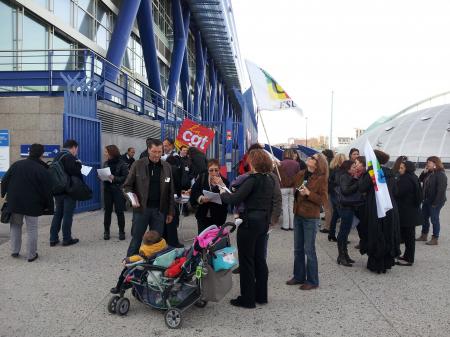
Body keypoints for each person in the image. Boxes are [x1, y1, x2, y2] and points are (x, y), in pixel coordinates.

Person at [216, 149, 281, 308]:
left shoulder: (252, 179)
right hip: (263, 222)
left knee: (246, 261)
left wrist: (221, 189)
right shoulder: (270, 179)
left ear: (254, 162)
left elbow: (234, 199)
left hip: (249, 222)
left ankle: (247, 299)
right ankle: (261, 296)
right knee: (260, 259)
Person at [1, 144, 53, 262]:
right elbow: (47, 190)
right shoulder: (42, 169)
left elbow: (4, 181)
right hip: (33, 204)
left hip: (15, 202)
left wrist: (3, 194)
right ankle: (31, 255)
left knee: (15, 226)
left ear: (29, 152)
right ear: (41, 154)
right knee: (32, 229)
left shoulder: (16, 165)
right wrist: (48, 206)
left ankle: (14, 251)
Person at [123, 138, 175, 256]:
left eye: (159, 152)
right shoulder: (138, 164)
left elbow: (170, 191)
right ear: (148, 150)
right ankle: (129, 268)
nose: (157, 155)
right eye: (154, 152)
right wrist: (132, 199)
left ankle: (154, 268)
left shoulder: (167, 167)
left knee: (157, 242)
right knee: (136, 239)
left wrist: (170, 212)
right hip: (141, 210)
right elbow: (126, 187)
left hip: (159, 211)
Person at [286, 153, 328, 290]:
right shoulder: (301, 174)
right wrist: (278, 168)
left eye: (313, 158)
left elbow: (323, 200)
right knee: (298, 248)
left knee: (309, 249)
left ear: (318, 163)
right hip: (298, 214)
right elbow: (289, 182)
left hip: (310, 217)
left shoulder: (321, 179)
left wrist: (309, 194)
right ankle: (298, 276)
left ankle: (313, 280)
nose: (309, 158)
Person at [358, 150, 400, 274]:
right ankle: (386, 262)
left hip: (375, 207)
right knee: (387, 232)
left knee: (375, 232)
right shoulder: (389, 173)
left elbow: (362, 188)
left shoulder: (371, 172)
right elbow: (395, 191)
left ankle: (376, 263)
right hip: (389, 207)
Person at [49, 139, 82, 247]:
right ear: (73, 147)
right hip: (68, 191)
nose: (76, 151)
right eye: (76, 149)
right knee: (67, 214)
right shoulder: (70, 157)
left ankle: (53, 239)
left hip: (57, 190)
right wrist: (79, 165)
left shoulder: (57, 156)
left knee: (58, 214)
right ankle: (67, 239)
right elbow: (75, 173)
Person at [394, 160, 422, 266]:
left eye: (401, 168)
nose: (399, 169)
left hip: (407, 213)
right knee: (409, 236)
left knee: (409, 237)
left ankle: (409, 259)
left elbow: (398, 193)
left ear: (407, 168)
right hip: (411, 212)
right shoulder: (413, 177)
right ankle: (407, 256)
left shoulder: (406, 179)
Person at [190, 159, 229, 234]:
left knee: (215, 240)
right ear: (208, 170)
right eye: (211, 170)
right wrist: (201, 198)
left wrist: (221, 187)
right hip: (203, 216)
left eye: (216, 170)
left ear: (219, 170)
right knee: (202, 239)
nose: (214, 172)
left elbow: (228, 199)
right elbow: (195, 191)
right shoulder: (202, 178)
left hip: (218, 217)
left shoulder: (225, 181)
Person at [335, 160, 363, 267]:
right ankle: (341, 256)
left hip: (348, 206)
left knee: (345, 232)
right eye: (353, 166)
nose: (355, 168)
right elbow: (346, 190)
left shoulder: (347, 176)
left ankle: (344, 255)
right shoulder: (345, 176)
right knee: (343, 232)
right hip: (345, 207)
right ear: (347, 168)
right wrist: (357, 183)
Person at [416, 156, 447, 245]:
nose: (427, 164)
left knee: (434, 219)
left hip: (436, 201)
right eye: (427, 162)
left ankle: (435, 238)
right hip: (426, 200)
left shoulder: (441, 174)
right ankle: (424, 235)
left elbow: (441, 190)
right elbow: (420, 180)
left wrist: (435, 203)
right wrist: (424, 172)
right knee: (424, 217)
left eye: (429, 162)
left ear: (435, 164)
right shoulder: (429, 173)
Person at [103, 145, 129, 241]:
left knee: (119, 211)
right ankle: (106, 231)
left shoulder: (122, 164)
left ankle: (121, 232)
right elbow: (105, 175)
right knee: (107, 212)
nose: (104, 154)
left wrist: (115, 178)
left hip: (118, 190)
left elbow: (125, 178)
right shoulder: (105, 163)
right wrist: (101, 176)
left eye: (106, 152)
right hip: (107, 190)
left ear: (111, 152)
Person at [278, 148, 301, 230]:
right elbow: (299, 176)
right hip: (293, 187)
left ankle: (285, 225)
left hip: (283, 187)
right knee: (291, 207)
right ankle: (292, 225)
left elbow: (276, 176)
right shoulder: (296, 164)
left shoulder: (280, 163)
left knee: (284, 206)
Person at [326, 153, 346, 241]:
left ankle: (331, 233)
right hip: (338, 194)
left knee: (336, 214)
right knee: (341, 214)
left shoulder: (332, 169)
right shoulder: (341, 171)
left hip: (333, 193)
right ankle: (340, 236)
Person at [320, 149, 335, 234]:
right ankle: (330, 226)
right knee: (330, 208)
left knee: (327, 208)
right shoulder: (332, 163)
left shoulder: (326, 164)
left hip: (326, 189)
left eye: (322, 155)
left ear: (326, 155)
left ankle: (327, 227)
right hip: (330, 189)